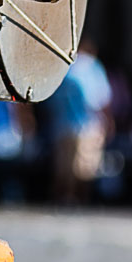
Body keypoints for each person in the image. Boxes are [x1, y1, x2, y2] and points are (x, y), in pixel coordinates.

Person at [43, 39, 112, 204]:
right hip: (86, 124)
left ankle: (62, 197)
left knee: (63, 165)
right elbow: (98, 99)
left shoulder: (65, 68)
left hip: (62, 124)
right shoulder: (91, 67)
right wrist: (108, 122)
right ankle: (80, 199)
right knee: (84, 167)